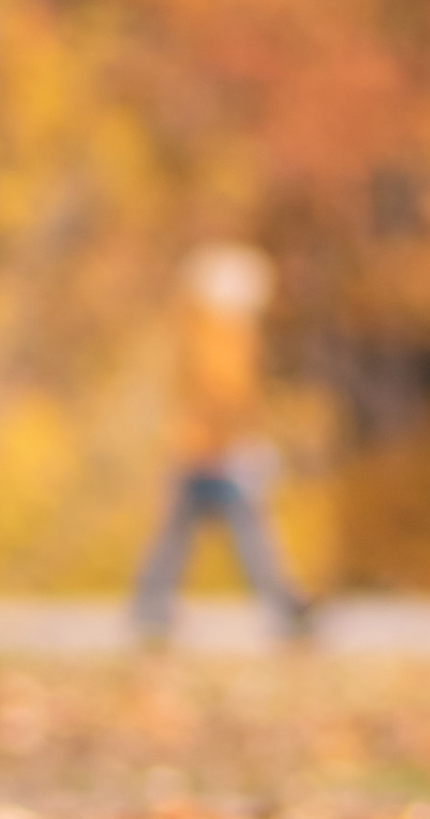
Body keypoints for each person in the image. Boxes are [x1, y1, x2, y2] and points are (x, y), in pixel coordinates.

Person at [129, 242, 314, 643]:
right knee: (245, 530)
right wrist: (231, 445)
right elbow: (221, 394)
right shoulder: (220, 333)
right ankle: (283, 603)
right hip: (214, 451)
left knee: (182, 532)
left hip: (202, 447)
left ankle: (150, 606)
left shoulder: (200, 329)